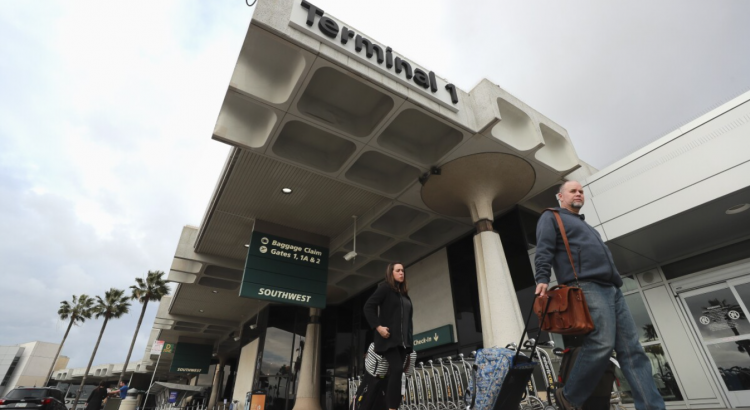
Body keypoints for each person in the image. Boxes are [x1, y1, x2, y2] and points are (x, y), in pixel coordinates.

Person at [534, 180, 665, 410]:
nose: (578, 194)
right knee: (602, 343)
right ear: (560, 197)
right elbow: (544, 249)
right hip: (585, 285)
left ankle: (652, 407)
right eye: (573, 191)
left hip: (612, 288)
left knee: (632, 351)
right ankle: (570, 397)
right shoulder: (552, 216)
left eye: (581, 191)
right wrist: (542, 278)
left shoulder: (587, 226)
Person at [363, 262, 413, 410]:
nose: (401, 273)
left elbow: (407, 320)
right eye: (398, 270)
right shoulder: (385, 288)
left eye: (403, 271)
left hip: (403, 342)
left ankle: (393, 406)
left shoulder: (404, 295)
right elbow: (368, 307)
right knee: (397, 370)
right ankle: (391, 408)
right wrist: (378, 327)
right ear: (391, 273)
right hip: (388, 339)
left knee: (398, 375)